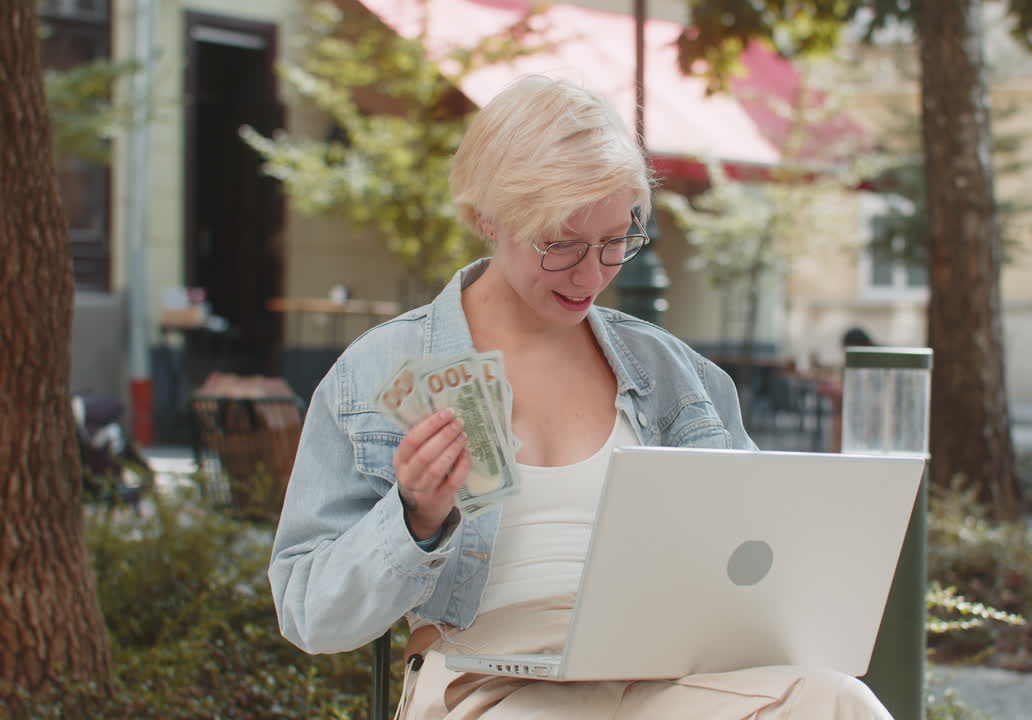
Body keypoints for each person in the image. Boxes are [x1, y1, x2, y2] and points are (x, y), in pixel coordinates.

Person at [269, 76, 892, 720]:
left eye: (616, 240)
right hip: (487, 687)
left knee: (838, 702)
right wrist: (414, 518)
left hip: (662, 684)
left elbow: (766, 567)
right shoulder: (380, 372)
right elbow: (309, 614)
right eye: (560, 243)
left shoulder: (677, 376)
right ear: (487, 217)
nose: (592, 274)